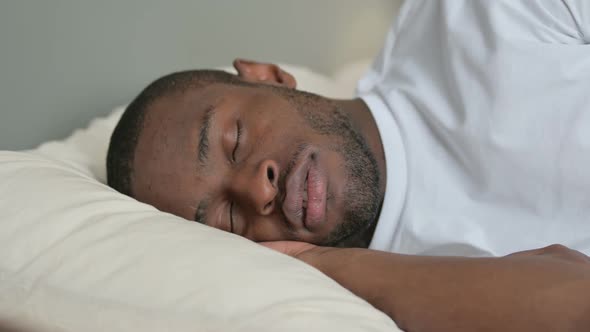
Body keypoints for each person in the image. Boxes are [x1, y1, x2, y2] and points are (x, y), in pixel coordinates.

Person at [107, 1, 590, 331]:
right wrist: (315, 263)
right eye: (227, 219)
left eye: (235, 142)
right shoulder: (368, 302)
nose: (257, 190)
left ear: (270, 77)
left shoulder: (480, 17)